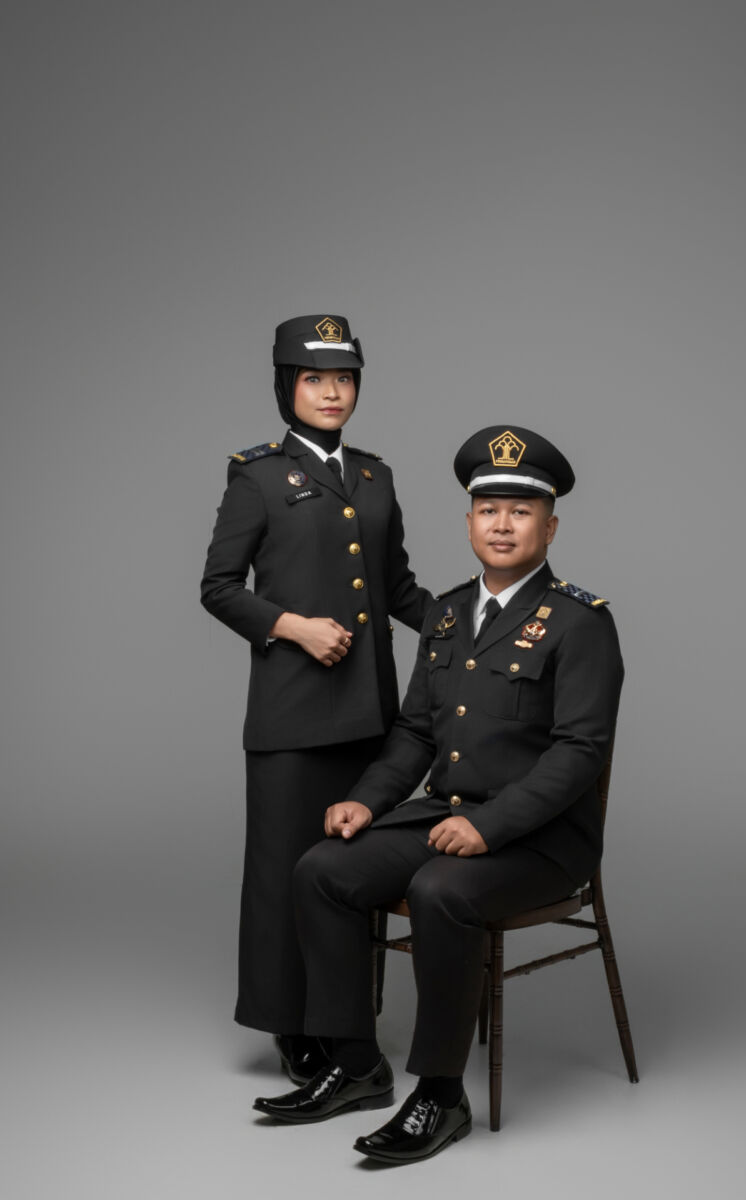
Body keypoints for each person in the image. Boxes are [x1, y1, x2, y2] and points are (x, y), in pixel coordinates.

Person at [253, 424, 624, 1164]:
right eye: (488, 510)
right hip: (447, 817)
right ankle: (355, 1064)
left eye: (520, 511)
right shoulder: (448, 616)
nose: (502, 524)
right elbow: (416, 733)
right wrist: (368, 800)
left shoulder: (580, 622)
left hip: (542, 840)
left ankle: (440, 1095)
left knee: (440, 889)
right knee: (323, 869)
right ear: (469, 523)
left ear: (550, 528)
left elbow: (580, 753)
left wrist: (491, 826)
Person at [200, 314, 432, 1084]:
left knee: (349, 874)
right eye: (314, 379)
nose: (331, 392)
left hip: (369, 712)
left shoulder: (374, 476)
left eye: (343, 379)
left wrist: (469, 625)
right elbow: (218, 587)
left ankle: (346, 1021)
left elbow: (396, 588)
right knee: (282, 875)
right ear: (286, 386)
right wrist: (292, 626)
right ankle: (290, 1024)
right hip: (293, 714)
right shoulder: (257, 476)